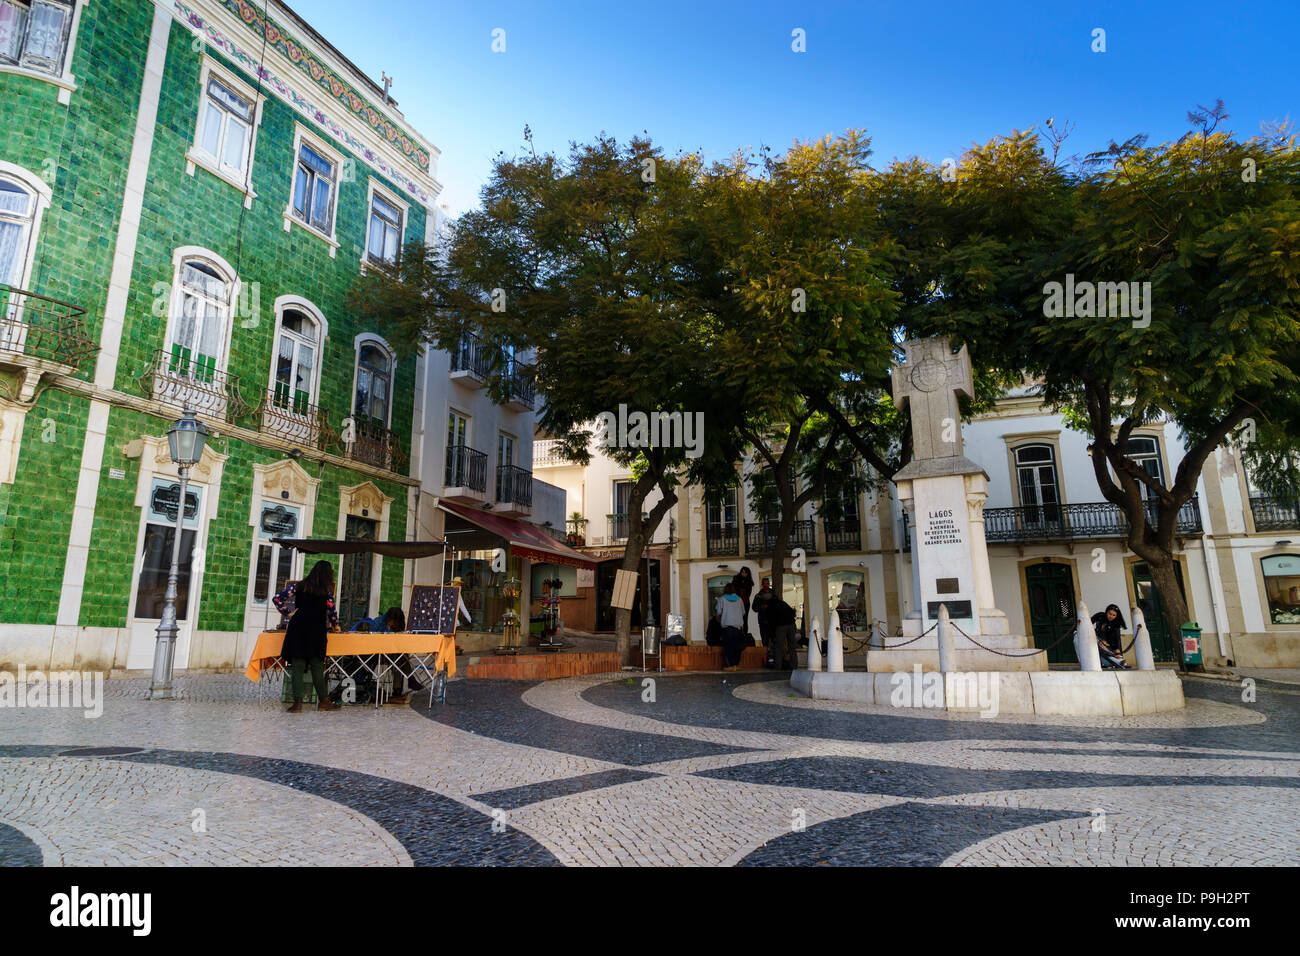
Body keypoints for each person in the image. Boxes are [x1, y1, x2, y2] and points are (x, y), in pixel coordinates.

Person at [280, 560, 340, 713]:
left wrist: (287, 612)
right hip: (316, 630)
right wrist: (336, 626)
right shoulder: (326, 592)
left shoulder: (299, 586)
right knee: (317, 666)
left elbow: (277, 599)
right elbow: (332, 611)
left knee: (298, 667)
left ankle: (297, 704)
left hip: (298, 628)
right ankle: (324, 702)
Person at [715, 582, 747, 670]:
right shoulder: (739, 599)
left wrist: (720, 621)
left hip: (727, 627)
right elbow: (743, 612)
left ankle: (730, 666)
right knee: (737, 647)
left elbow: (718, 613)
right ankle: (736, 665)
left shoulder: (722, 599)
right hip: (738, 627)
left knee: (728, 647)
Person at [1091, 603, 1130, 668]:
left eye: (1114, 615)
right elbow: (1089, 621)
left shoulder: (1116, 625)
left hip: (1108, 645)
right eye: (1109, 614)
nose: (1111, 616)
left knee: (1107, 653)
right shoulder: (1100, 616)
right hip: (1096, 640)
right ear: (1106, 612)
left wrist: (1118, 650)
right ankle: (1118, 662)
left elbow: (1117, 639)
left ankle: (1119, 661)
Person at [767, 595, 799, 670]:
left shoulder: (771, 606)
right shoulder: (783, 603)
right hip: (791, 624)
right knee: (792, 646)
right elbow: (793, 612)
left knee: (778, 646)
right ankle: (794, 666)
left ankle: (778, 666)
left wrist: (773, 635)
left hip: (781, 626)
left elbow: (772, 621)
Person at [752, 577, 775, 662]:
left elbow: (778, 605)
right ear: (762, 584)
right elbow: (754, 608)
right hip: (763, 622)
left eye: (767, 583)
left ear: (769, 584)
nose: (766, 585)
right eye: (764, 583)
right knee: (765, 641)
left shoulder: (774, 594)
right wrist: (761, 607)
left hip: (773, 622)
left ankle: (774, 658)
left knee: (774, 640)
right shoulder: (758, 595)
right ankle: (766, 659)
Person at [732, 567, 754, 635]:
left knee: (745, 619)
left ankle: (744, 635)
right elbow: (734, 590)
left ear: (748, 574)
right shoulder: (736, 579)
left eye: (745, 572)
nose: (744, 574)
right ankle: (737, 634)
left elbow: (748, 593)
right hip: (736, 602)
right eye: (742, 572)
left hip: (745, 603)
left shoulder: (749, 582)